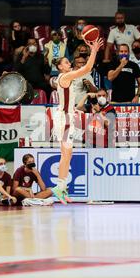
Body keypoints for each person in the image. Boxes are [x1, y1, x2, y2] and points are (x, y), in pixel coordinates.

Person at [50, 37, 104, 204]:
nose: (69, 64)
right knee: (66, 153)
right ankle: (59, 186)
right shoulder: (64, 77)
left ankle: (62, 185)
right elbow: (87, 67)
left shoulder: (66, 77)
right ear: (60, 67)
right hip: (64, 117)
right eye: (66, 62)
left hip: (67, 116)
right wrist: (94, 50)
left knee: (68, 154)